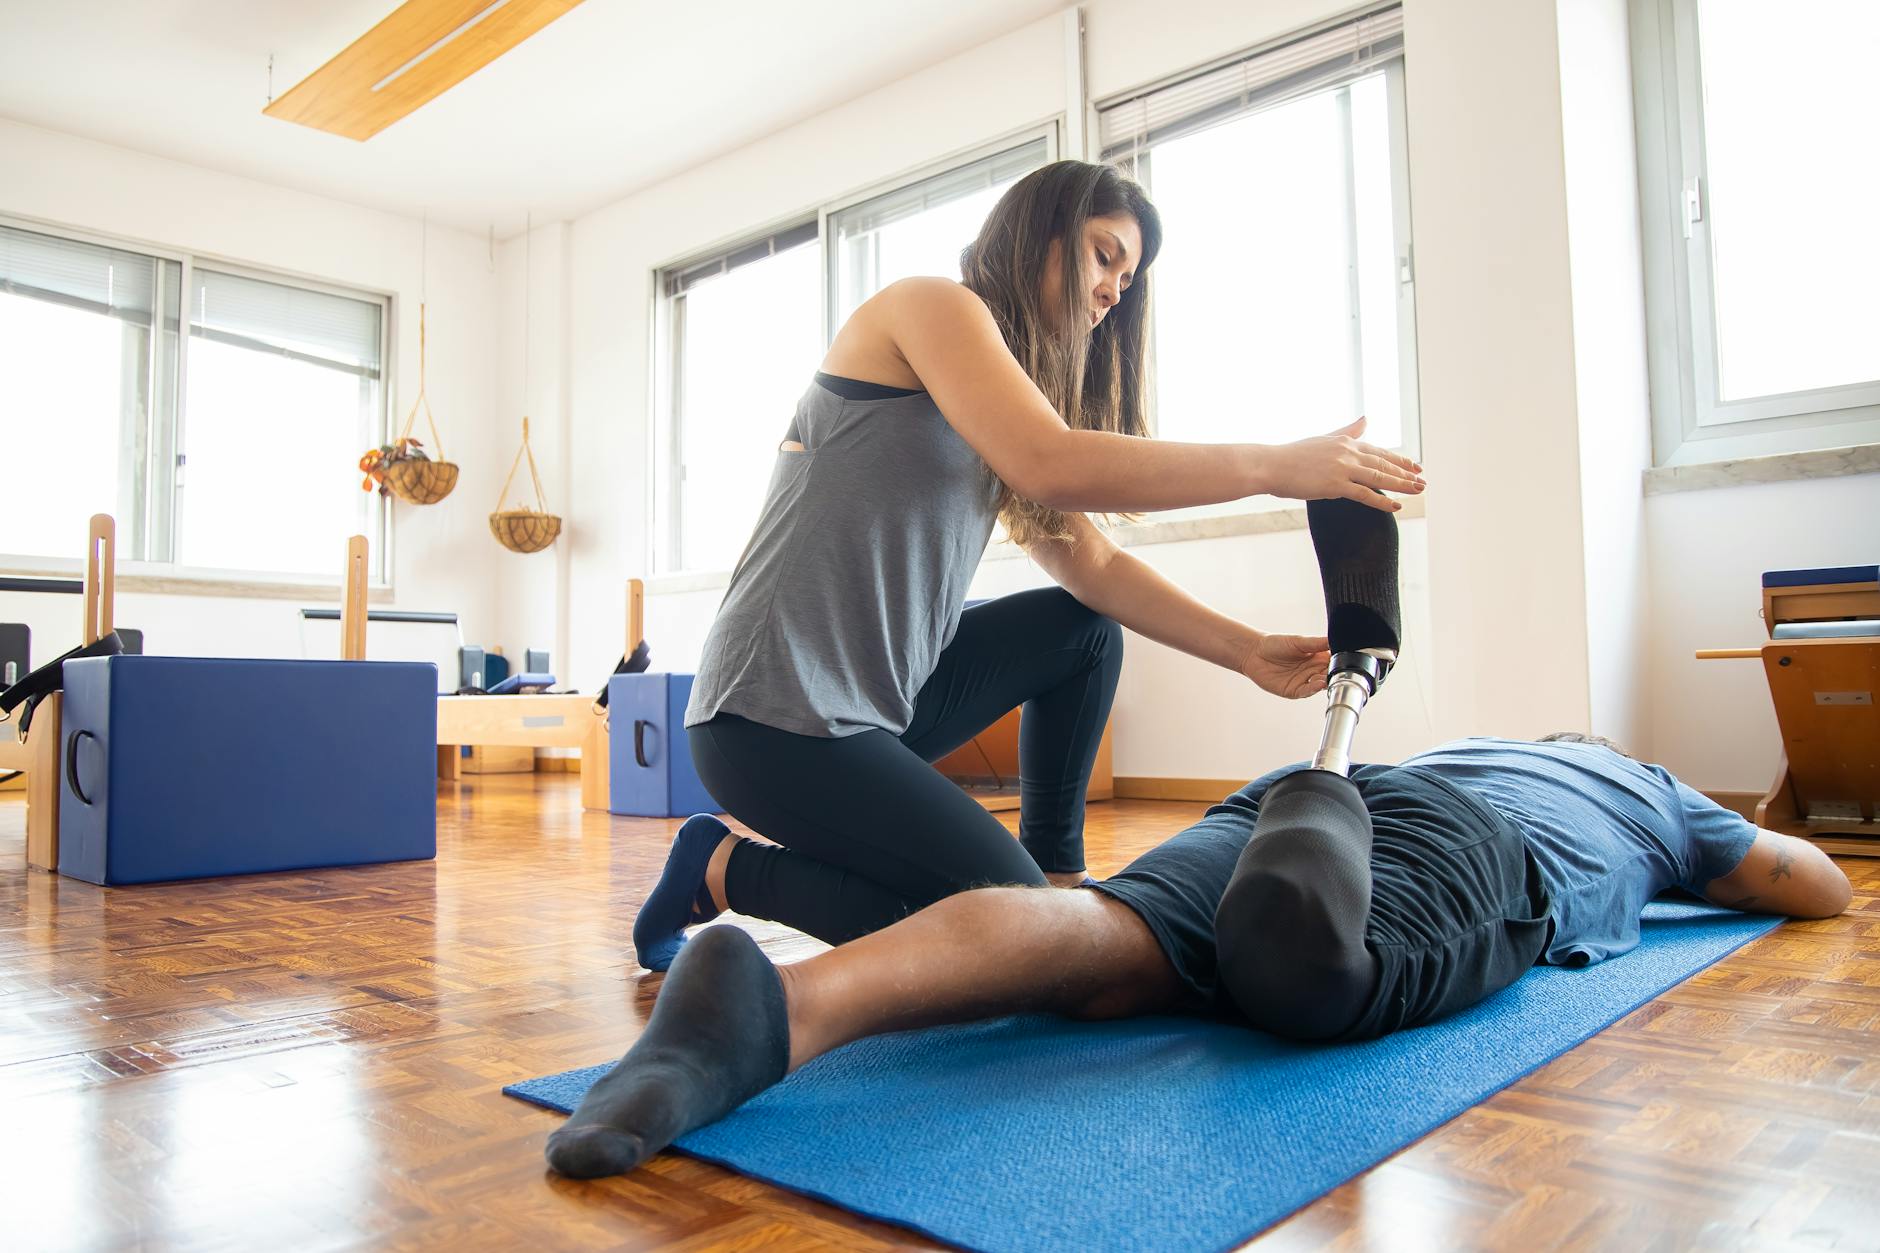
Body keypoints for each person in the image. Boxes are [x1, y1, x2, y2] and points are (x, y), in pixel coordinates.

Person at [633, 160, 1425, 972]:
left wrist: (1247, 651)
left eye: (1129, 274)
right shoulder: (930, 306)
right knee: (1023, 949)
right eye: (1105, 253)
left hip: (879, 709)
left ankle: (1056, 873)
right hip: (767, 716)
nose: (1116, 287)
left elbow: (1095, 565)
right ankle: (725, 867)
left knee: (1083, 630)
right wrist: (1272, 466)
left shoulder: (996, 399)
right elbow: (1051, 462)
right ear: (1040, 233)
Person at [546, 732, 1851, 1179]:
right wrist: (1693, 825)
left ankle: (789, 1002)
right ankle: (1299, 898)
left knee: (1102, 934)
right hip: (1479, 849)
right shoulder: (1654, 791)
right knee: (1323, 979)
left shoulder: (1479, 742)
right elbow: (1816, 888)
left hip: (1341, 781)